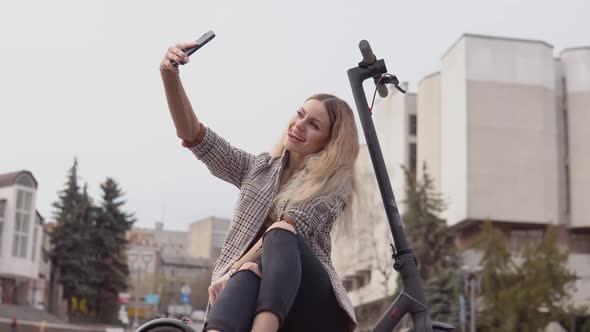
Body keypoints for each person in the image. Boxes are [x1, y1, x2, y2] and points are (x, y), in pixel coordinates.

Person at [160, 41, 360, 332]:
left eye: (314, 125)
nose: (299, 124)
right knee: (248, 273)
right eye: (300, 113)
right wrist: (169, 74)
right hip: (248, 293)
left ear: (330, 143)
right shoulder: (257, 169)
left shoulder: (332, 184)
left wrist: (233, 271)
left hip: (310, 306)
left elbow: (292, 225)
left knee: (276, 235)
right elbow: (195, 136)